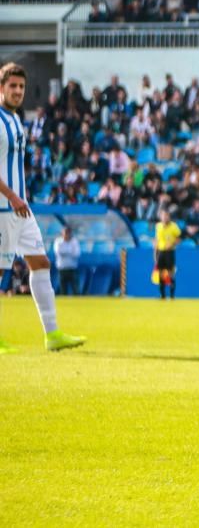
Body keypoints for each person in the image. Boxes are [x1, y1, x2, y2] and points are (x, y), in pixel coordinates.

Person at [0, 63, 86, 354]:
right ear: (2, 88)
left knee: (41, 263)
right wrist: (11, 196)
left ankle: (52, 334)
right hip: (4, 208)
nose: (17, 91)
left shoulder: (15, 120)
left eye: (21, 87)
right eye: (12, 86)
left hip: (21, 208)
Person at [153, 208, 181, 300]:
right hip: (161, 251)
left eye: (166, 216)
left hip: (170, 252)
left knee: (170, 273)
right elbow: (157, 240)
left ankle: (172, 295)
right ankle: (162, 295)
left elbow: (179, 239)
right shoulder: (158, 226)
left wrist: (172, 243)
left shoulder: (174, 227)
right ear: (161, 217)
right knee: (160, 273)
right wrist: (155, 252)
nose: (165, 218)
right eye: (163, 216)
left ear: (169, 217)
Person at [53, 226, 81, 296]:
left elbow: (76, 254)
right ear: (62, 233)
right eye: (65, 233)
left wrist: (65, 252)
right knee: (63, 290)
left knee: (76, 290)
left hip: (72, 269)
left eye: (68, 233)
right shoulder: (58, 241)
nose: (67, 234)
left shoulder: (74, 241)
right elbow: (58, 252)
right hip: (62, 269)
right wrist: (69, 251)